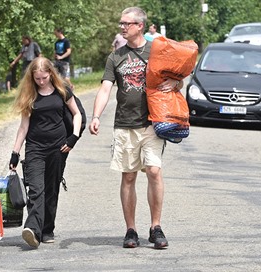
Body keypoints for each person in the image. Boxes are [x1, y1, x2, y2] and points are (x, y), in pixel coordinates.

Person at [89, 7, 182, 249]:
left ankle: (155, 227)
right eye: (121, 23)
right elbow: (106, 88)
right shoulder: (115, 57)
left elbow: (178, 76)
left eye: (126, 23)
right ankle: (130, 230)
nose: (122, 27)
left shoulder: (156, 51)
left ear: (139, 26)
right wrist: (96, 115)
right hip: (124, 124)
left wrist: (175, 81)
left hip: (152, 122)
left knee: (153, 171)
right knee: (128, 176)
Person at [9, 56, 82, 248]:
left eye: (44, 77)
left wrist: (73, 137)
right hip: (35, 149)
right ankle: (32, 229)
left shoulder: (62, 91)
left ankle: (47, 229)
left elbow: (77, 114)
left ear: (50, 73)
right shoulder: (29, 95)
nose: (41, 82)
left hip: (58, 148)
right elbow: (23, 127)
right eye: (37, 79)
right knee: (36, 190)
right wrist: (15, 153)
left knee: (51, 190)